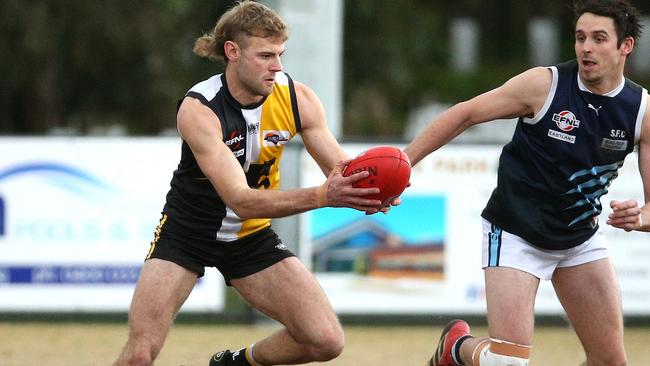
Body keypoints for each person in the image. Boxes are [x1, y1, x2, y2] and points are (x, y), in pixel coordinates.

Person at [112, 1, 386, 366]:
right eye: (265, 56)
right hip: (187, 232)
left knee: (326, 341)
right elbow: (240, 198)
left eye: (280, 54)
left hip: (249, 237)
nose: (278, 67)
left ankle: (237, 363)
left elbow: (341, 171)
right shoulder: (200, 110)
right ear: (232, 52)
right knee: (140, 355)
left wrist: (374, 189)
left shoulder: (297, 99)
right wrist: (324, 196)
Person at [404, 1, 649, 365]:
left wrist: (640, 218)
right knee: (507, 362)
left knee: (611, 362)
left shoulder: (641, 111)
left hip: (579, 239)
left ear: (625, 46)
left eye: (599, 39)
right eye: (581, 37)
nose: (586, 48)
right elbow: (466, 113)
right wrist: (404, 162)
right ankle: (455, 348)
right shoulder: (545, 85)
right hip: (516, 231)